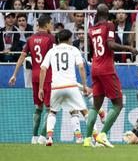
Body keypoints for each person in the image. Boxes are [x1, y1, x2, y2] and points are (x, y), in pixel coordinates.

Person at [83, 3, 138, 148]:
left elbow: (91, 50)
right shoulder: (109, 25)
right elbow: (110, 45)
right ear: (107, 13)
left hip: (94, 67)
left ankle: (87, 139)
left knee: (95, 106)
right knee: (118, 104)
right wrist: (129, 48)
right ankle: (103, 134)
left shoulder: (91, 29)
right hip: (106, 68)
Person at [8, 14, 55, 144]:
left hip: (34, 76)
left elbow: (22, 57)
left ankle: (33, 137)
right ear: (46, 25)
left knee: (38, 107)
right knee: (49, 108)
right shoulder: (51, 38)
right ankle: (42, 136)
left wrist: (14, 75)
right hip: (47, 76)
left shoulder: (30, 39)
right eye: (50, 24)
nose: (51, 26)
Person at [38, 29, 89, 146]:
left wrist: (40, 88)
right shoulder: (74, 49)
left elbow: (43, 69)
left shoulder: (52, 51)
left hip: (56, 87)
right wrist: (85, 85)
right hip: (71, 86)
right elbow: (81, 67)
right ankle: (93, 137)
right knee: (84, 112)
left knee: (52, 112)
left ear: (59, 39)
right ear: (70, 39)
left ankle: (49, 138)